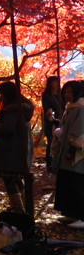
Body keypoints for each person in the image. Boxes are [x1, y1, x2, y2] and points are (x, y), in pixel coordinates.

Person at [0, 81, 35, 211]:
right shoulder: (22, 108)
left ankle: (18, 208)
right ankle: (26, 207)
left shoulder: (12, 109)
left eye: (1, 93)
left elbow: (8, 128)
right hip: (19, 148)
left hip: (10, 150)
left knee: (9, 179)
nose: (0, 96)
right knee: (16, 179)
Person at [51, 80, 84, 228]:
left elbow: (78, 132)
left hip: (77, 152)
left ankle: (81, 217)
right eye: (65, 91)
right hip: (68, 150)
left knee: (76, 182)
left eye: (70, 91)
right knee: (68, 181)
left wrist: (64, 134)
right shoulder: (70, 108)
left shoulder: (81, 108)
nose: (67, 94)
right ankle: (72, 213)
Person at [42, 76, 63, 171]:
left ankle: (58, 163)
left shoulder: (62, 94)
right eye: (54, 82)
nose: (56, 84)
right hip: (51, 121)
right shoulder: (46, 95)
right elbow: (46, 108)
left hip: (62, 120)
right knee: (51, 142)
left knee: (61, 142)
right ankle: (50, 165)